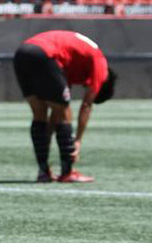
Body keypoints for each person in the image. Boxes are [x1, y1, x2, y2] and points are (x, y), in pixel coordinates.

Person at [12, 30, 117, 183]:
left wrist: (48, 134)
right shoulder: (100, 63)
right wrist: (78, 141)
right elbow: (86, 104)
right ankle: (68, 172)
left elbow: (56, 108)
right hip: (45, 54)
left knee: (39, 113)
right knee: (65, 113)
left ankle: (43, 172)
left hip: (23, 53)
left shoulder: (75, 61)